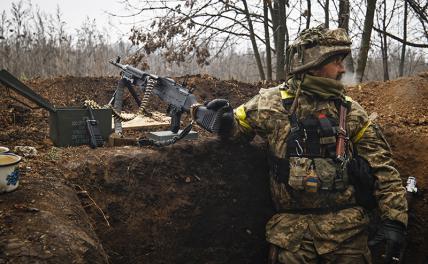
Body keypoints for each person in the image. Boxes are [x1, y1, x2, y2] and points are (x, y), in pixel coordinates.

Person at [201, 25, 408, 263]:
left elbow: (383, 168)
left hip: (348, 234)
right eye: (337, 62)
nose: (342, 69)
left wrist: (395, 221)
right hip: (292, 237)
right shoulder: (271, 103)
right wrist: (223, 119)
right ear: (314, 63)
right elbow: (236, 131)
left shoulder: (351, 112)